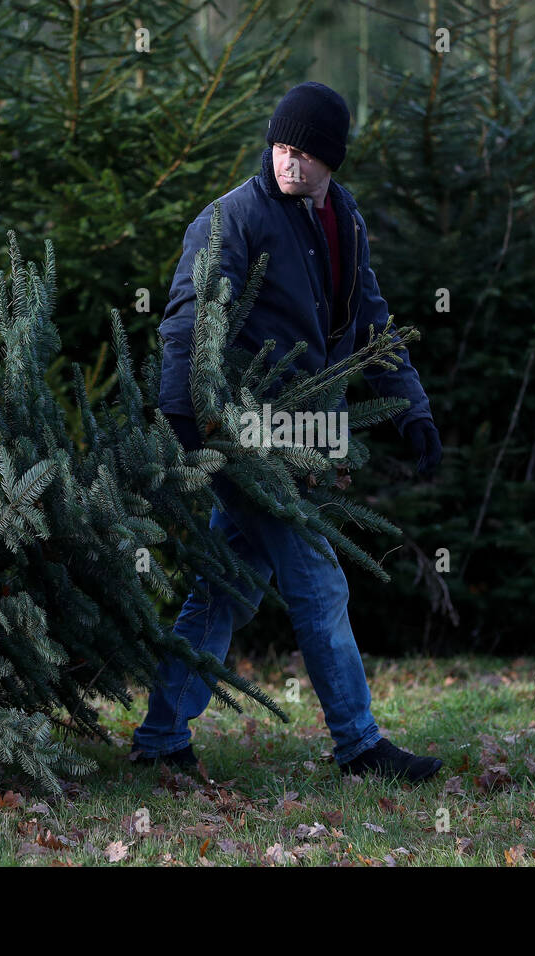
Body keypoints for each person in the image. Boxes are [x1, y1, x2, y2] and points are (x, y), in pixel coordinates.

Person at [130, 81, 444, 783]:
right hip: (251, 441)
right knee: (319, 583)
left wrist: (411, 408)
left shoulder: (345, 218)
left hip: (314, 437)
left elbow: (370, 319)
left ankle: (158, 738)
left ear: (332, 161)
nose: (290, 164)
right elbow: (188, 320)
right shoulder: (232, 220)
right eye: (281, 147)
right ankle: (360, 745)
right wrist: (186, 424)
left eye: (305, 153)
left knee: (227, 588)